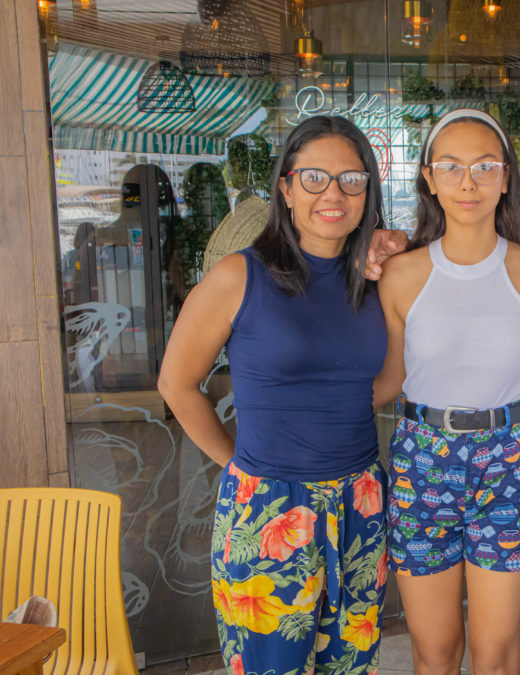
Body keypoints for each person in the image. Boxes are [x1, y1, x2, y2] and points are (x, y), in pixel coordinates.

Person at [158, 115, 393, 675]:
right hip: (270, 509)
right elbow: (176, 383)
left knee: (351, 667)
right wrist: (241, 465)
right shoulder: (240, 276)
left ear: (368, 191)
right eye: (314, 177)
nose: (332, 193)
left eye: (350, 179)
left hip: (361, 501)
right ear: (285, 188)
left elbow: (383, 384)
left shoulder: (380, 277)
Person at [376, 109, 520, 675]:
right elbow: (384, 384)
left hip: (505, 459)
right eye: (450, 167)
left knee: (496, 656)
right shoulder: (401, 273)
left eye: (484, 166)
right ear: (429, 178)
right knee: (435, 652)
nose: (468, 181)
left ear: (506, 177)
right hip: (421, 461)